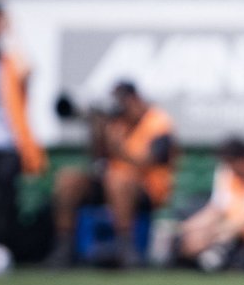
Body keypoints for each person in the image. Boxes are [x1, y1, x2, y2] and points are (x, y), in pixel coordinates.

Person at [46, 81, 177, 268]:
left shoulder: (158, 121)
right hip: (109, 182)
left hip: (146, 188)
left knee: (118, 179)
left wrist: (120, 149)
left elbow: (153, 160)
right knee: (68, 178)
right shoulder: (115, 123)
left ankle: (126, 247)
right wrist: (98, 130)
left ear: (135, 100)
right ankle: (63, 246)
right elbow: (98, 162)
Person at [0, 0, 46, 272]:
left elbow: (27, 68)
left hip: (5, 144)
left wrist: (11, 33)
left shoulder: (9, 62)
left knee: (4, 196)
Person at [178, 137, 244, 271]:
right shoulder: (227, 172)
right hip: (235, 234)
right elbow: (216, 209)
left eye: (231, 162)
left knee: (238, 260)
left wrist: (210, 236)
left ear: (243, 159)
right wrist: (188, 229)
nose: (229, 167)